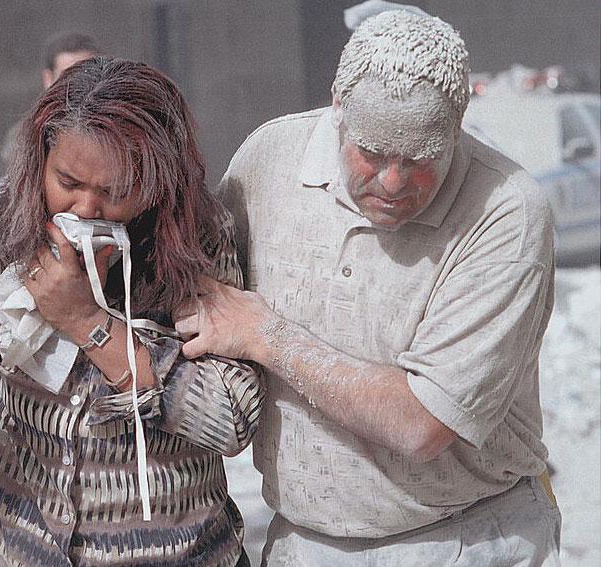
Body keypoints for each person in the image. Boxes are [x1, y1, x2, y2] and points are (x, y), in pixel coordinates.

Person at [173, 11, 561, 566]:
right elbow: (198, 294)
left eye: (421, 159)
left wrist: (268, 336)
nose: (394, 182)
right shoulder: (269, 161)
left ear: (458, 125)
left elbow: (422, 424)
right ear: (337, 106)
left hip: (464, 539)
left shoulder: (505, 211)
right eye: (373, 154)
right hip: (304, 541)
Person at [0, 57, 261, 566]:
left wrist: (88, 323)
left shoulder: (195, 242)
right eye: (69, 181)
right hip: (12, 548)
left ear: (161, 184)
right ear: (41, 158)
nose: (85, 209)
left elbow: (230, 422)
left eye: (115, 192)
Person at [0, 32, 99, 201]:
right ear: (48, 78)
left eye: (87, 72)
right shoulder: (27, 134)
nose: (78, 82)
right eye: (67, 75)